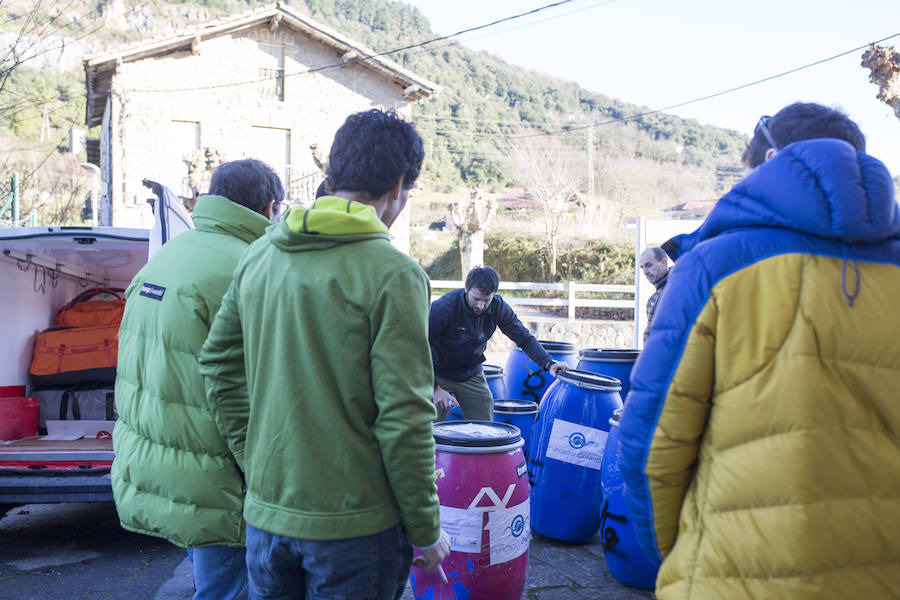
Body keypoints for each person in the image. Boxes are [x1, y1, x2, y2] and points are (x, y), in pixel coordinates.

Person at [617, 102, 900, 600]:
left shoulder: (713, 266)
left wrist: (678, 559)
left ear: (771, 161)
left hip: (736, 572)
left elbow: (651, 446)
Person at [198, 109, 450, 600]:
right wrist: (426, 527)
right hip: (357, 530)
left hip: (267, 518)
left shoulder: (261, 255)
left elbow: (218, 364)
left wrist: (255, 458)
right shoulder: (393, 274)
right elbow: (404, 415)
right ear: (399, 184)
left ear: (333, 174)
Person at [112, 159, 284, 600]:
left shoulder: (170, 255)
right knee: (227, 588)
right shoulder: (248, 266)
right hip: (217, 474)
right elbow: (253, 386)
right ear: (270, 208)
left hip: (166, 462)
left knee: (209, 577)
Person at [430, 266, 569, 420]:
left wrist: (549, 363)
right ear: (466, 290)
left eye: (486, 300)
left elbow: (523, 338)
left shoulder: (498, 307)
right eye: (476, 299)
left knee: (485, 426)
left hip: (470, 373)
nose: (480, 306)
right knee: (429, 427)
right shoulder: (443, 308)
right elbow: (422, 347)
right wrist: (434, 388)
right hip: (438, 372)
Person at [638, 246, 669, 341]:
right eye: (642, 267)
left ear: (664, 263)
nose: (645, 272)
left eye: (649, 265)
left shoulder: (674, 291)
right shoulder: (656, 297)